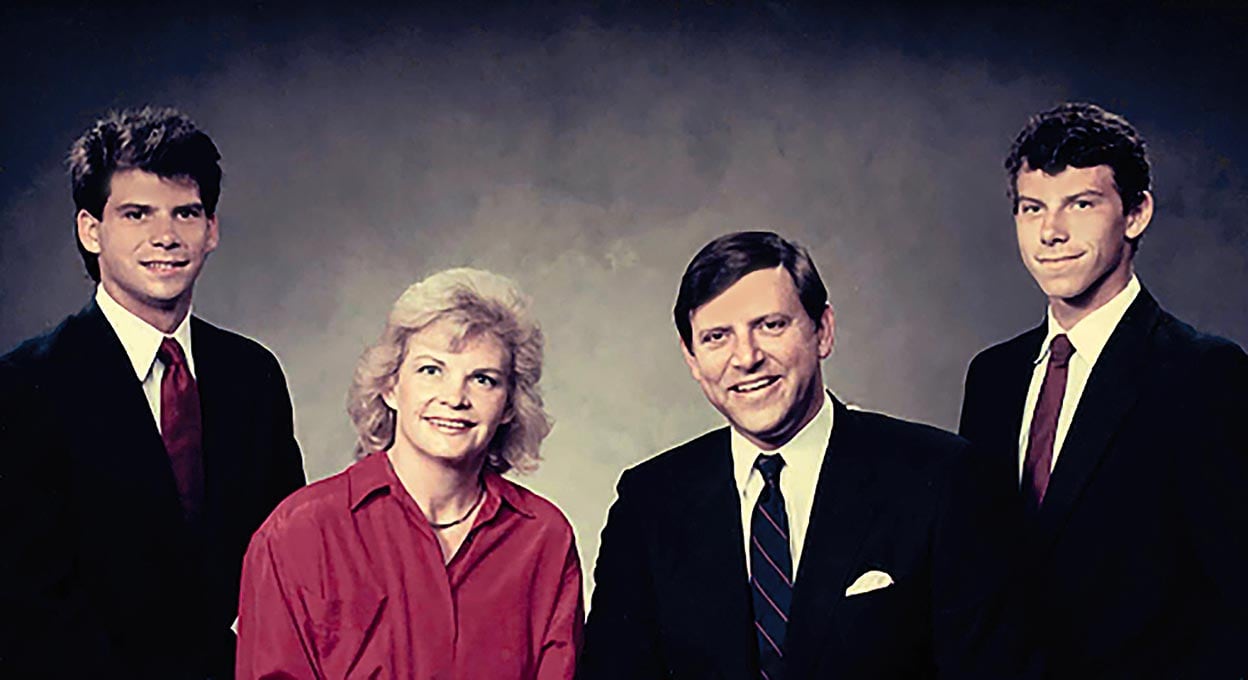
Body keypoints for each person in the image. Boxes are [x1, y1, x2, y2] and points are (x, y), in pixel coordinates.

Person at [580, 231, 1015, 679]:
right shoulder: (649, 502)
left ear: (822, 331)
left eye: (770, 325)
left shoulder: (939, 476)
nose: (745, 357)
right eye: (716, 337)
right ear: (691, 358)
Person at [0, 107, 306, 678]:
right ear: (91, 230)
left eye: (185, 213)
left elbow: (290, 562)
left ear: (211, 230)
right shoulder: (23, 387)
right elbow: (26, 605)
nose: (165, 236)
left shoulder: (253, 375)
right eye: (137, 214)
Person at [958, 102, 1248, 677]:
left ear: (1136, 214)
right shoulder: (993, 375)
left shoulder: (1202, 374)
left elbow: (1237, 596)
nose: (1051, 232)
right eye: (1032, 208)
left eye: (1081, 204)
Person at [236, 268, 583, 679]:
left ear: (509, 405)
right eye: (431, 370)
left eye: (483, 379)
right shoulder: (299, 533)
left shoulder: (544, 539)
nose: (454, 397)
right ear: (390, 386)